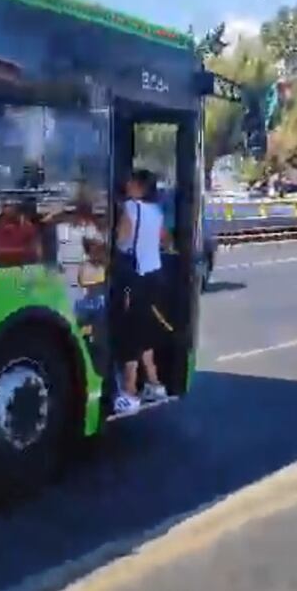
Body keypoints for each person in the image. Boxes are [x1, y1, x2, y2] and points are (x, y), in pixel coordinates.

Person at [113, 169, 171, 416]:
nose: (126, 183)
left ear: (138, 186)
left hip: (133, 276)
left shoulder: (129, 208)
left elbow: (121, 241)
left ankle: (129, 392)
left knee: (130, 336)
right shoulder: (156, 212)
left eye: (131, 180)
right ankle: (155, 385)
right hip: (154, 275)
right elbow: (165, 241)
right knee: (144, 331)